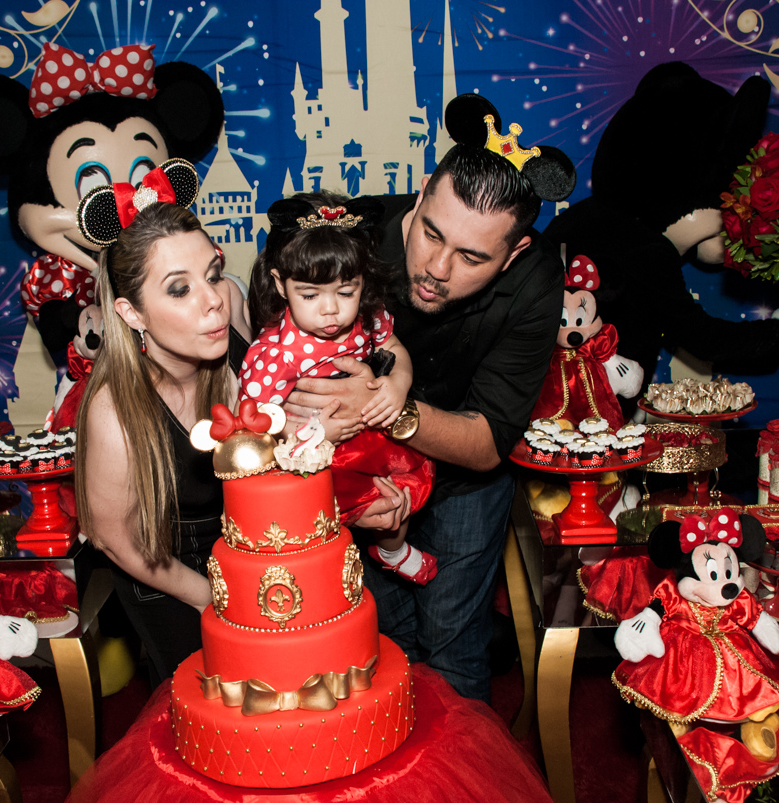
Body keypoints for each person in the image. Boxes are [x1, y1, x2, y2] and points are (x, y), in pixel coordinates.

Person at [285, 144, 567, 702]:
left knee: (453, 656)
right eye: (432, 235)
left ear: (513, 255)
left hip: (465, 479)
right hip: (355, 475)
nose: (437, 270)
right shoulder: (355, 233)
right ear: (418, 199)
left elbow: (488, 442)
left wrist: (388, 409)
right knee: (378, 649)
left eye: (472, 258)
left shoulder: (535, 283)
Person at [545, 62, 779, 415]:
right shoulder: (645, 248)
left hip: (548, 401)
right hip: (590, 410)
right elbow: (701, 336)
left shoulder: (579, 220)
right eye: (726, 201)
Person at [75, 192, 250, 687]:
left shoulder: (228, 320)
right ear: (132, 314)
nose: (212, 299)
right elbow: (116, 539)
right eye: (179, 289)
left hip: (248, 546)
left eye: (212, 275)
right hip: (170, 571)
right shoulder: (115, 410)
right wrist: (207, 596)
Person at [243, 192, 437, 584]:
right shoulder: (274, 353)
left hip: (375, 441)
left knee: (396, 500)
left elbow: (393, 347)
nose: (331, 309)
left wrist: (398, 384)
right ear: (281, 284)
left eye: (345, 292)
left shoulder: (367, 317)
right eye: (310, 295)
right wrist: (307, 435)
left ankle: (392, 550)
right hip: (319, 463)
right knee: (323, 545)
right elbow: (253, 421)